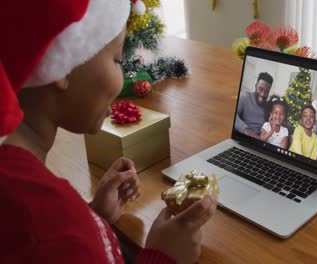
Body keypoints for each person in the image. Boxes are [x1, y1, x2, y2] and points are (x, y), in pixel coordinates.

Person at [0, 1, 217, 264]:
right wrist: (162, 257)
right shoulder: (57, 229)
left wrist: (94, 217)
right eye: (117, 59)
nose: (123, 76)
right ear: (64, 63)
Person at [235, 72, 273, 139]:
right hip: (243, 139)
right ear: (255, 85)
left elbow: (281, 120)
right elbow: (232, 114)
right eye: (260, 89)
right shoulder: (244, 97)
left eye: (267, 91)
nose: (263, 94)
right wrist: (247, 131)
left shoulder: (268, 106)